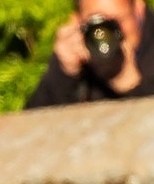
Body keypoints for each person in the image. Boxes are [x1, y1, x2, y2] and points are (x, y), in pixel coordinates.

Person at [26, 0, 154, 108]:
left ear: (138, 9)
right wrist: (64, 74)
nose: (105, 35)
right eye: (98, 24)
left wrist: (130, 84)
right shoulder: (80, 49)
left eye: (116, 21)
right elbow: (31, 129)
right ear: (77, 20)